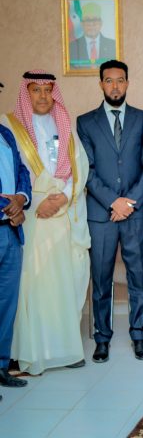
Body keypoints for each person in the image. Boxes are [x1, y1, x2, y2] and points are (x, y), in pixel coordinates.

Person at [0, 70, 90, 374]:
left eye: (47, 90)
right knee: (31, 285)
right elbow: (12, 172)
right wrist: (36, 202)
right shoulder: (10, 126)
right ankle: (26, 352)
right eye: (35, 90)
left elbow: (80, 167)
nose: (42, 96)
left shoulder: (64, 125)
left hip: (60, 214)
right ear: (26, 93)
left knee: (61, 283)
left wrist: (63, 196)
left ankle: (64, 350)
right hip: (29, 216)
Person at [76, 60, 143, 363]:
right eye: (109, 81)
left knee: (138, 275)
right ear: (101, 84)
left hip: (135, 213)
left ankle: (139, 335)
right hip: (101, 214)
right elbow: (87, 169)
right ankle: (102, 338)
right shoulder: (85, 122)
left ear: (127, 83)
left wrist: (129, 202)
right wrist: (113, 202)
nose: (115, 86)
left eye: (120, 80)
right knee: (102, 277)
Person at [0, 123, 31, 395]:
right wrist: (9, 209)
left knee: (7, 305)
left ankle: (1, 367)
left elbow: (22, 171)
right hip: (9, 218)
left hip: (10, 232)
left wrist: (21, 199)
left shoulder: (5, 133)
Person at [69, 2, 117, 69]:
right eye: (87, 20)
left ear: (101, 23)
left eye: (95, 19)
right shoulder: (71, 47)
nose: (91, 24)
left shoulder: (113, 45)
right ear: (82, 24)